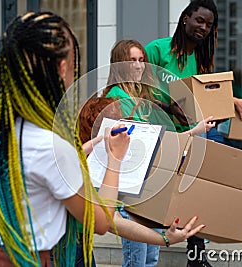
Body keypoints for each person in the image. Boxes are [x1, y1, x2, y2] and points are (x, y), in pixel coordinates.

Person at [0, 11, 132, 267]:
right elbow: (102, 221)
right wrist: (115, 158)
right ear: (62, 68)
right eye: (74, 65)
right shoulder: (52, 147)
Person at [144, 1, 242, 266]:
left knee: (193, 193)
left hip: (193, 134)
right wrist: (168, 107)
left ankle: (197, 255)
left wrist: (233, 101)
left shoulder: (201, 60)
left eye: (209, 25)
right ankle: (147, 254)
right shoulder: (156, 50)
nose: (204, 27)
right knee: (157, 196)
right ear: (185, 19)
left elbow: (206, 95)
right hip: (160, 134)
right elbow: (138, 91)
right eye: (200, 21)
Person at [101, 39, 215, 267]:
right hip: (129, 191)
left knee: (150, 258)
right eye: (131, 60)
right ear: (119, 64)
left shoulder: (142, 97)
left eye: (141, 60)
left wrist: (193, 130)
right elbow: (141, 143)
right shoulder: (115, 97)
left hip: (149, 188)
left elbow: (160, 142)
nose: (138, 65)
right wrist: (194, 132)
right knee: (137, 260)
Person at [76, 96, 208, 266]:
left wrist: (164, 239)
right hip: (63, 249)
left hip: (81, 246)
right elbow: (109, 221)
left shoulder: (90, 162)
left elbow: (114, 220)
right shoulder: (80, 169)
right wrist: (114, 158)